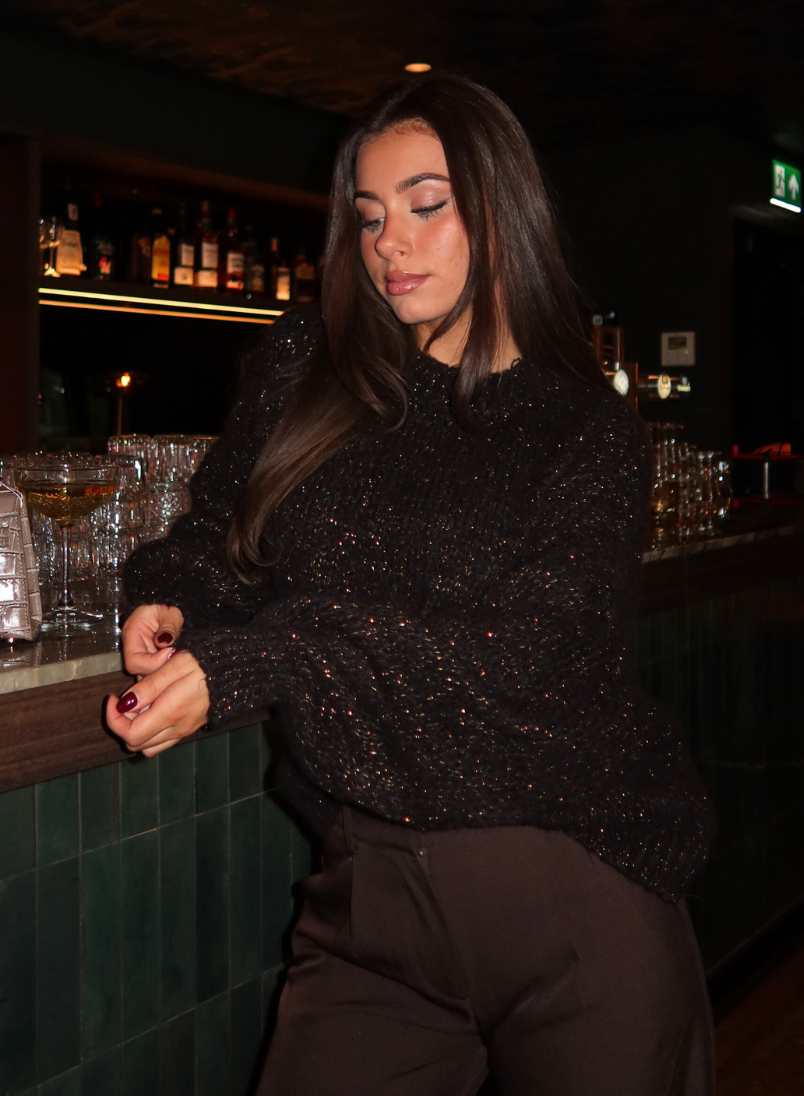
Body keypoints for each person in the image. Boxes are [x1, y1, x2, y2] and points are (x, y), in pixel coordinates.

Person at [107, 73, 716, 1095]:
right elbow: (220, 530)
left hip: (574, 890)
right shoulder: (308, 364)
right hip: (371, 895)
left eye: (427, 206)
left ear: (501, 209)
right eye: (370, 216)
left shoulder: (582, 431)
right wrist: (173, 596)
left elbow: (534, 660)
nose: (392, 242)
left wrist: (272, 655)